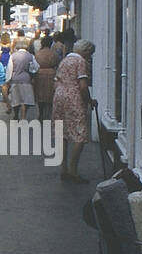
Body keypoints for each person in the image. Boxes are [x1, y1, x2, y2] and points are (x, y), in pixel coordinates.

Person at [52, 39, 96, 183]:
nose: (89, 57)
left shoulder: (64, 61)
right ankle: (73, 170)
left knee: (63, 132)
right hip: (74, 98)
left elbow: (56, 80)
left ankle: (63, 169)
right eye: (89, 54)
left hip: (59, 97)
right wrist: (89, 100)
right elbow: (83, 86)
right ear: (85, 52)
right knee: (80, 133)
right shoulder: (80, 62)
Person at [5, 37, 39, 121]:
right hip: (26, 80)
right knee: (25, 100)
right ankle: (23, 117)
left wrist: (8, 80)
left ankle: (16, 115)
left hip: (15, 79)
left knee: (16, 99)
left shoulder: (13, 56)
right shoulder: (31, 56)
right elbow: (35, 67)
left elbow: (9, 69)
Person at [33, 32, 61, 123]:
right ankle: (48, 114)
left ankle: (41, 113)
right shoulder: (53, 53)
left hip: (40, 74)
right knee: (49, 95)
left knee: (40, 95)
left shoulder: (38, 54)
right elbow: (57, 62)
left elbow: (35, 65)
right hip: (51, 74)